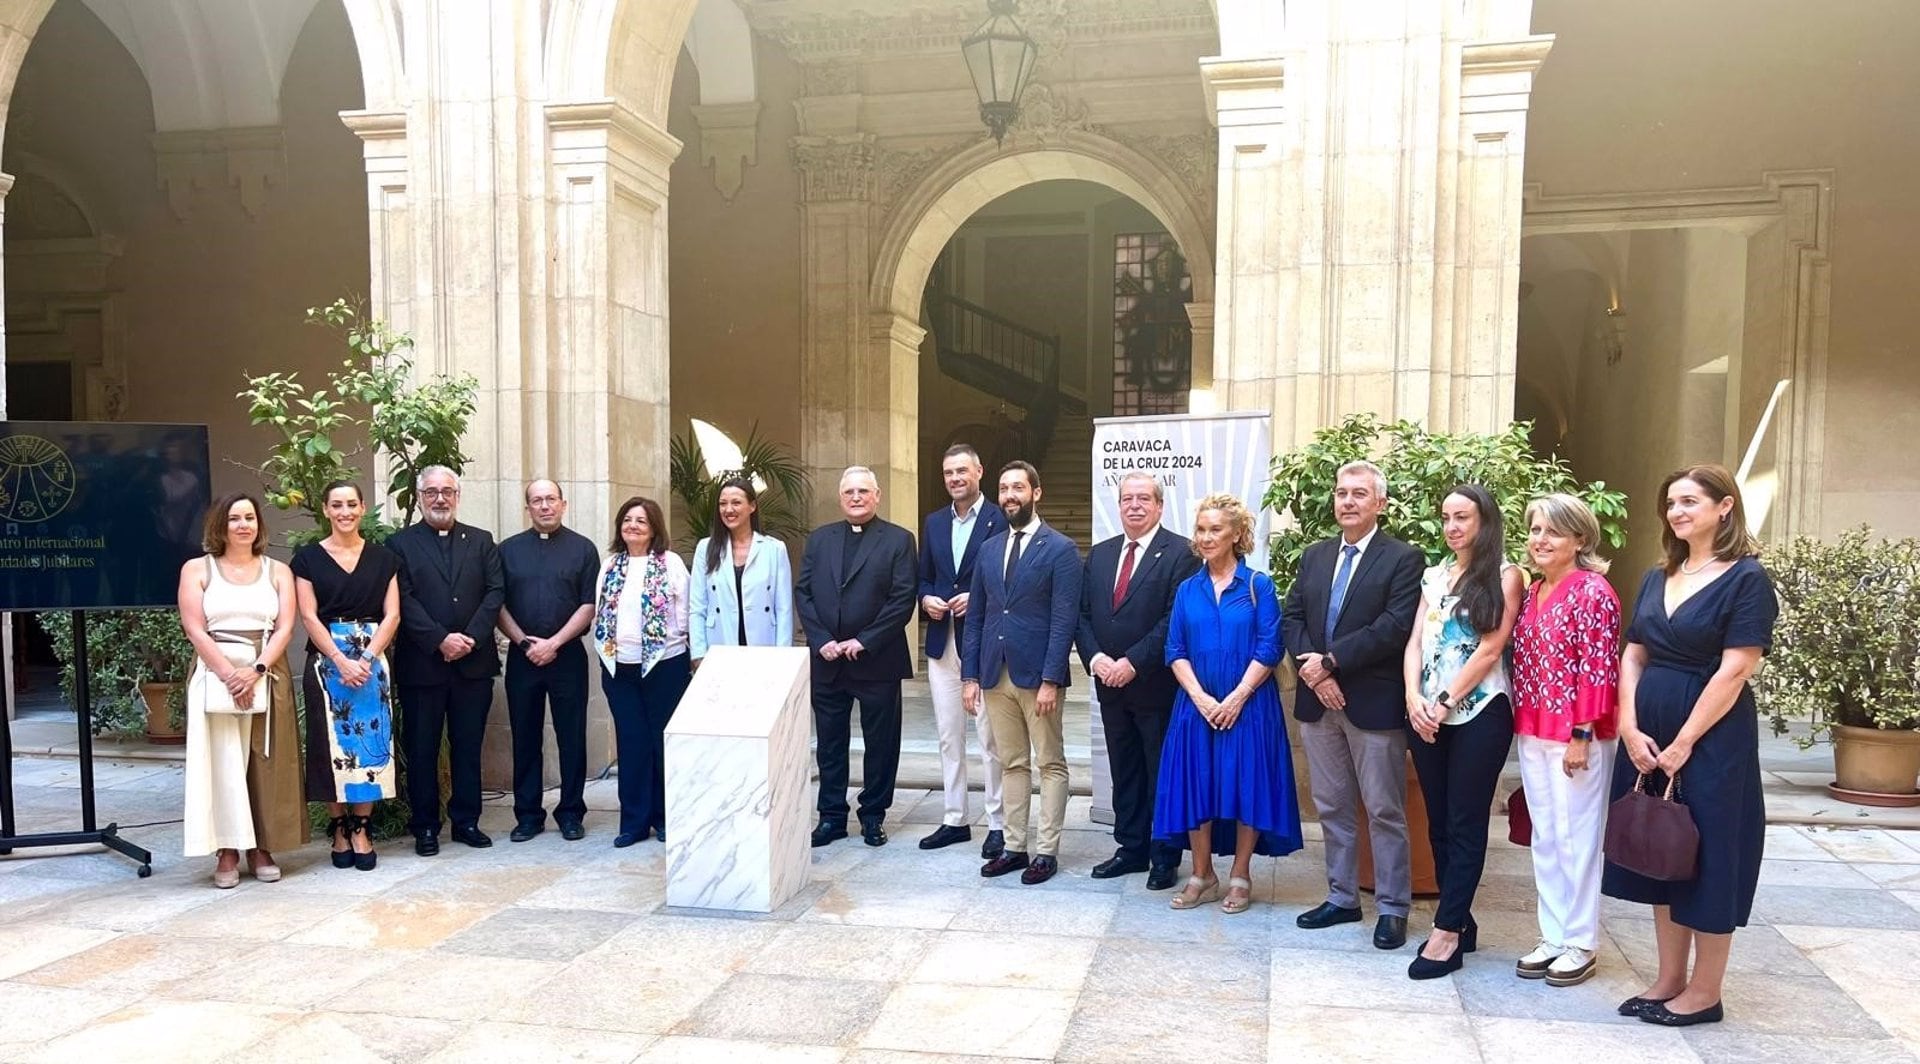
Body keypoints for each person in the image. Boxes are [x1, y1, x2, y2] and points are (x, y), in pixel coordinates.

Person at [1605, 464, 1775, 1028]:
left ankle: (1705, 992)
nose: (1677, 512)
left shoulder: (1747, 578)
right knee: (1662, 850)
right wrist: (1629, 724)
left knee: (1710, 855)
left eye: (1689, 501)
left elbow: (1736, 669)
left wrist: (1684, 742)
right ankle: (1668, 978)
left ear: (1724, 506)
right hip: (1647, 734)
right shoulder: (1659, 576)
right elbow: (1634, 653)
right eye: (1671, 504)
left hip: (1711, 739)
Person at [1281, 460, 1425, 950]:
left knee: (1384, 808)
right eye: (1342, 493)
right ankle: (1342, 897)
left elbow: (1394, 625)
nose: (1347, 501)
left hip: (1373, 705)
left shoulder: (1404, 558)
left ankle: (1392, 907)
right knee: (1332, 804)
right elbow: (1292, 616)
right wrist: (1314, 671)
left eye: (1359, 493)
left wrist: (1332, 663)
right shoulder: (1315, 556)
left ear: (1379, 503)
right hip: (1318, 702)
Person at [1155, 494, 1304, 912]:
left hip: (1250, 705)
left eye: (1215, 529)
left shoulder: (1258, 585)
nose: (1205, 537)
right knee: (1196, 785)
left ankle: (1241, 874)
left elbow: (1270, 646)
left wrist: (1237, 697)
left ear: (1237, 534)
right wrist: (1201, 698)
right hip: (1196, 705)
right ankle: (1202, 873)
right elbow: (1174, 648)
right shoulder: (1187, 589)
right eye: (1200, 530)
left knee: (1246, 785)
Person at [1401, 484, 1525, 979]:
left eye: (1463, 517)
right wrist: (1413, 697)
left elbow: (1491, 647)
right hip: (1426, 713)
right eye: (1447, 517)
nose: (1453, 526)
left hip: (1479, 711)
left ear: (1484, 522)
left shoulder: (1506, 575)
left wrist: (1446, 699)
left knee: (1465, 821)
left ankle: (1447, 931)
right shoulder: (1434, 576)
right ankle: (1462, 919)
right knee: (1437, 821)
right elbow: (1415, 641)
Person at [1509, 493, 1622, 988]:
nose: (1541, 540)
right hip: (1532, 729)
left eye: (1552, 531)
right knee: (1547, 836)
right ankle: (1552, 934)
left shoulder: (1592, 591)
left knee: (1578, 838)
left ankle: (1580, 941)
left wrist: (1581, 734)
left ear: (1580, 538)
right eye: (1535, 529)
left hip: (1579, 735)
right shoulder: (1533, 592)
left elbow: (1600, 668)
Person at [1076, 472, 1200, 890]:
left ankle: (1164, 854)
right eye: (1127, 498)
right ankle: (1130, 848)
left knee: (1159, 770)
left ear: (1159, 506)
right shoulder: (1101, 554)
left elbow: (1173, 620)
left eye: (1143, 499)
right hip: (1108, 685)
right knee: (1124, 768)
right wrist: (1095, 658)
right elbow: (1083, 615)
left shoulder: (1182, 553)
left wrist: (1131, 661)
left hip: (1155, 686)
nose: (1134, 505)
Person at [962, 461, 1083, 885]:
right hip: (995, 675)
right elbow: (976, 614)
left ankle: (1046, 851)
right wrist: (970, 676)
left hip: (1038, 677)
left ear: (1036, 492)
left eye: (1018, 487)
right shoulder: (989, 548)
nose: (1010, 494)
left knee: (1050, 763)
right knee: (1011, 763)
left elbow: (1064, 618)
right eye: (1004, 488)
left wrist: (1052, 677)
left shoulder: (1061, 549)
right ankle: (1014, 846)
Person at [177, 492, 306, 887]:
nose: (243, 525)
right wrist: (228, 673)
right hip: (215, 671)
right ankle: (228, 850)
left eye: (250, 517)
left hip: (266, 668)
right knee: (223, 763)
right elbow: (194, 626)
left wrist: (256, 669)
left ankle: (261, 846)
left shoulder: (278, 571)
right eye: (235, 518)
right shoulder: (197, 569)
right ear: (221, 525)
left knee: (263, 760)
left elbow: (286, 626)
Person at [795, 467, 918, 848]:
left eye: (863, 491)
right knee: (830, 744)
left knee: (880, 743)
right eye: (849, 491)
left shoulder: (899, 540)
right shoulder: (820, 540)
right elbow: (804, 593)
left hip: (876, 660)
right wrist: (821, 641)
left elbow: (902, 598)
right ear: (840, 497)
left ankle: (873, 815)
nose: (856, 497)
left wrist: (864, 641)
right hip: (829, 660)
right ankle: (831, 816)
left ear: (877, 495)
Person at [386, 466, 505, 855]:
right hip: (424, 665)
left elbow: (494, 592)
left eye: (447, 492)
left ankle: (467, 821)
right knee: (421, 749)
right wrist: (440, 639)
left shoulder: (482, 541)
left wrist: (469, 637)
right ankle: (425, 826)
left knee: (468, 746)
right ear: (420, 497)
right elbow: (402, 599)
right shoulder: (400, 545)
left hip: (473, 663)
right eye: (432, 492)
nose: (440, 498)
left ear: (458, 495)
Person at [291, 480, 402, 872]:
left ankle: (362, 827)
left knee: (370, 742)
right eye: (336, 505)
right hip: (327, 661)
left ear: (362, 507)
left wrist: (368, 658)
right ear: (325, 509)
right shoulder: (306, 559)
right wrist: (340, 659)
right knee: (329, 748)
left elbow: (393, 614)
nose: (345, 512)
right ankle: (339, 826)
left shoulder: (384, 558)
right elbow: (308, 615)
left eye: (351, 504)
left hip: (372, 659)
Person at [916, 444, 1009, 858]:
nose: (955, 479)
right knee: (948, 734)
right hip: (943, 641)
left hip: (986, 641)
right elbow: (924, 579)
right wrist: (926, 600)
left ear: (979, 472)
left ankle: (998, 822)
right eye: (948, 473)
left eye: (962, 471)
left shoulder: (1000, 518)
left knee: (990, 736)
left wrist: (980, 597)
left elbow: (1012, 577)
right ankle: (955, 818)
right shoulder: (934, 523)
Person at [497, 479, 600, 842]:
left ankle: (571, 813)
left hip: (568, 655)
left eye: (550, 499)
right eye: (537, 500)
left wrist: (553, 643)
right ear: (527, 508)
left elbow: (589, 604)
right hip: (523, 658)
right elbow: (498, 605)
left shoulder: (584, 549)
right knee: (525, 736)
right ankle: (528, 815)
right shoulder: (507, 550)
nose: (545, 506)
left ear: (563, 503)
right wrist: (526, 643)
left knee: (571, 736)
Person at [593, 496, 693, 848]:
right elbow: (602, 612)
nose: (633, 525)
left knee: (661, 743)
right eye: (628, 520)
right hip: (619, 667)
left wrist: (682, 648)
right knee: (632, 743)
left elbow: (686, 610)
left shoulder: (671, 563)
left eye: (641, 521)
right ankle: (634, 822)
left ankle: (666, 818)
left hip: (665, 665)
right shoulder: (610, 565)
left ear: (654, 529)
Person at [688, 476, 795, 666]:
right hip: (719, 643)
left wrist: (783, 655)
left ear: (752, 506)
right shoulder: (706, 548)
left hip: (763, 644)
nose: (728, 509)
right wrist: (698, 654)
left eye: (736, 502)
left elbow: (783, 608)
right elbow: (697, 607)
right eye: (723, 504)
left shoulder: (774, 549)